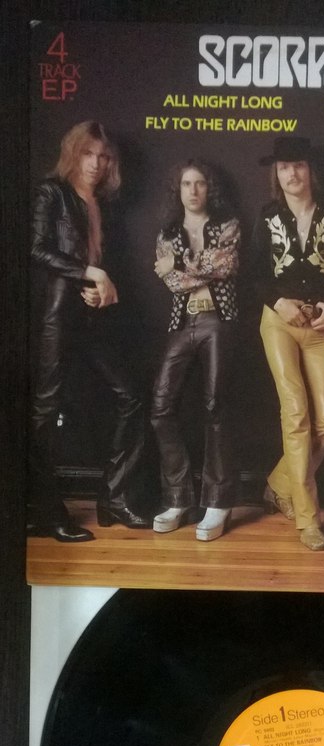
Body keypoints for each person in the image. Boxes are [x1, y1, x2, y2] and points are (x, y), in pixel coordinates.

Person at [30, 120, 147, 542]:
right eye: (88, 154)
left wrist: (102, 290)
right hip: (59, 317)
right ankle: (47, 510)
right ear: (73, 153)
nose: (96, 163)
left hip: (94, 319)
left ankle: (114, 497)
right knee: (44, 413)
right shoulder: (52, 193)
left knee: (131, 397)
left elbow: (105, 263)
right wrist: (89, 273)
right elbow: (37, 248)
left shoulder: (103, 205)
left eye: (103, 156)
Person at [252, 136, 324, 551]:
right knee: (295, 414)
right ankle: (308, 519)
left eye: (298, 165)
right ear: (276, 174)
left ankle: (278, 483)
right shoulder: (268, 215)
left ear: (311, 170)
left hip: (318, 326)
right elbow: (253, 274)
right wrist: (278, 302)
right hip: (278, 322)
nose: (291, 173)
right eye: (283, 167)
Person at [151, 159, 239, 541]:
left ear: (209, 188)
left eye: (200, 183)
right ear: (179, 189)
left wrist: (178, 263)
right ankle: (179, 498)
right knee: (160, 408)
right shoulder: (167, 232)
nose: (193, 190)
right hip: (181, 323)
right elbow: (170, 282)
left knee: (216, 406)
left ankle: (218, 501)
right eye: (186, 183)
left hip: (218, 320)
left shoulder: (227, 225)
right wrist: (200, 267)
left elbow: (226, 265)